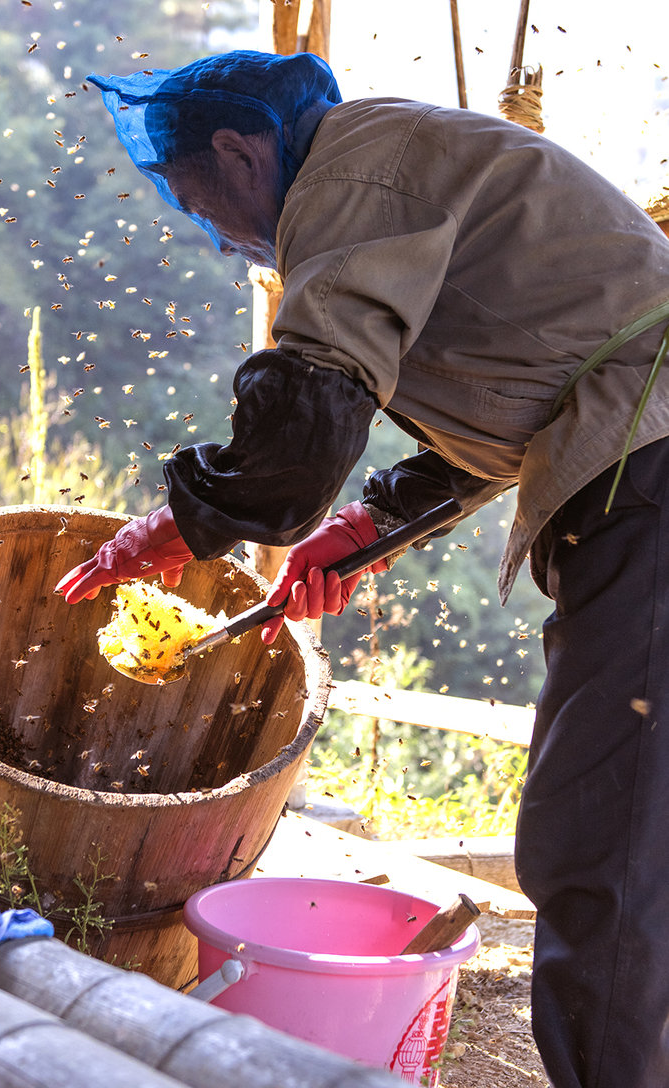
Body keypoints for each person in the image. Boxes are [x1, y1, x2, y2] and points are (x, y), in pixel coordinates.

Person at [56, 50, 669, 1087]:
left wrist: (179, 524)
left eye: (183, 186)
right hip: (633, 460)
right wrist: (367, 523)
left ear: (238, 150)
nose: (195, 219)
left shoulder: (348, 174)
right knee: (627, 828)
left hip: (650, 479)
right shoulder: (391, 167)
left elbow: (299, 431)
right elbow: (526, 386)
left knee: (596, 841)